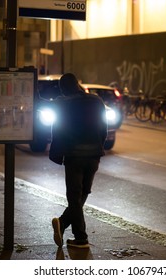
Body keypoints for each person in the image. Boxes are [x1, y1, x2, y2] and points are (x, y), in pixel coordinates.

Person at [50, 73, 108, 249]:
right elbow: (103, 128)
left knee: (74, 196)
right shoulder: (97, 101)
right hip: (94, 155)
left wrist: (58, 152)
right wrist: (98, 146)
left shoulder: (63, 103)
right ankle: (63, 225)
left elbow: (58, 130)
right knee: (83, 194)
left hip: (74, 155)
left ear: (63, 89)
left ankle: (80, 237)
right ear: (78, 84)